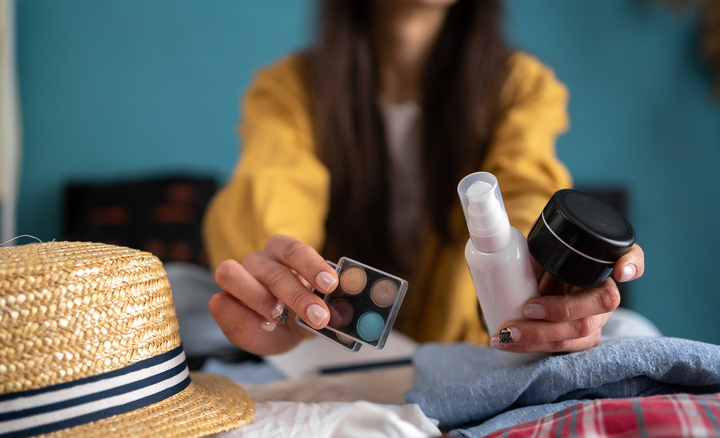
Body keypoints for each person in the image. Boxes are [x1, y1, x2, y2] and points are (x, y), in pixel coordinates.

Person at [202, 0, 645, 356]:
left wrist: (550, 283)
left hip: (481, 346)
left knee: (635, 332)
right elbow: (272, 199)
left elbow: (525, 194)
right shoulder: (287, 91)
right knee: (187, 292)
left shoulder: (522, 88)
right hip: (338, 350)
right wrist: (285, 303)